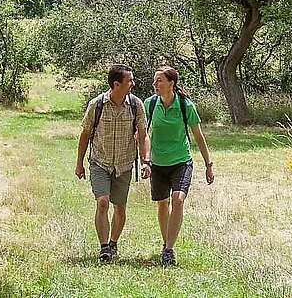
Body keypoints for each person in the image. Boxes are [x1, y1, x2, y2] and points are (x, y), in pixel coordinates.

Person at [75, 64, 149, 263]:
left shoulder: (136, 105)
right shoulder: (96, 105)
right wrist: (79, 163)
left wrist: (145, 161)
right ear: (116, 84)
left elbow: (143, 135)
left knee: (120, 207)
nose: (133, 84)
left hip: (124, 164)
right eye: (129, 81)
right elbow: (85, 134)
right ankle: (104, 248)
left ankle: (114, 242)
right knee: (102, 202)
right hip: (100, 162)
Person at [143, 66, 213, 266]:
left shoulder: (185, 106)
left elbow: (198, 136)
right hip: (157, 163)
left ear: (171, 83)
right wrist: (144, 159)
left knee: (178, 199)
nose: (155, 84)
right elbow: (144, 134)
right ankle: (166, 243)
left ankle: (169, 249)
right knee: (163, 203)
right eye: (155, 81)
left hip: (181, 161)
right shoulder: (150, 104)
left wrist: (209, 164)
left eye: (160, 81)